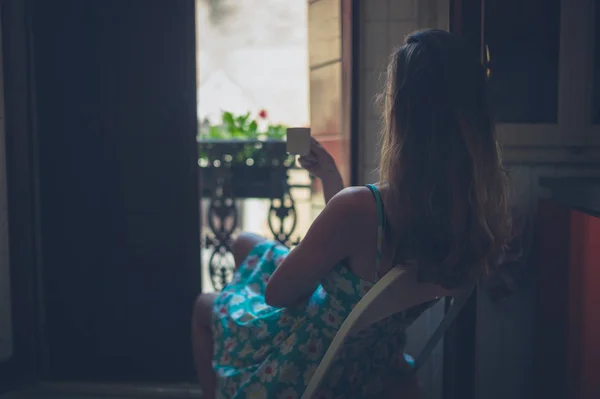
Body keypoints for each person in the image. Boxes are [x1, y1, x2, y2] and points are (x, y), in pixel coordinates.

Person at [192, 29, 512, 399]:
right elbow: (359, 252)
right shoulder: (475, 217)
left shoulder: (359, 208)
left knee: (204, 306)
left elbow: (278, 295)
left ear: (403, 117)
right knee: (244, 242)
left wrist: (332, 212)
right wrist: (331, 178)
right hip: (369, 360)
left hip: (306, 362)